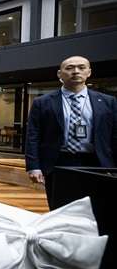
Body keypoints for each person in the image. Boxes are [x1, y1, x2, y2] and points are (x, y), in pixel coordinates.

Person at [25, 55, 117, 206]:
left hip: (97, 162)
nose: (76, 71)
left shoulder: (108, 102)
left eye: (81, 67)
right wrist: (33, 166)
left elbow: (114, 135)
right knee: (60, 209)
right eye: (69, 68)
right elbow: (33, 136)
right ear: (59, 74)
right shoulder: (42, 102)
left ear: (89, 72)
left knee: (97, 208)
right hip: (59, 162)